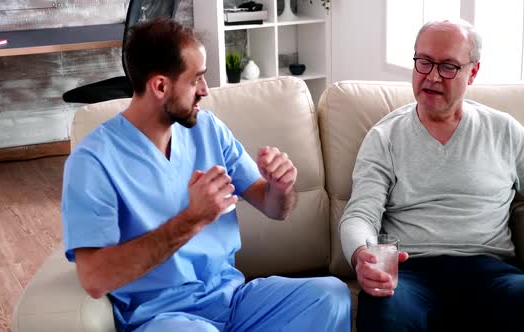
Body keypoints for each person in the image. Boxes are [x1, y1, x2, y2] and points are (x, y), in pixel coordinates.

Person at [62, 18, 351, 332]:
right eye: (196, 79)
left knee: (330, 295)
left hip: (233, 300)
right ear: (160, 86)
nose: (205, 90)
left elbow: (274, 208)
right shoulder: (93, 161)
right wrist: (193, 218)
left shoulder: (208, 128)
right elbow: (94, 279)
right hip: (162, 317)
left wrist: (281, 187)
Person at [340, 19, 524, 332]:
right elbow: (360, 214)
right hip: (410, 271)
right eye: (424, 62)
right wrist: (362, 254)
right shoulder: (385, 136)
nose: (431, 76)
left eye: (447, 67)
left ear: (473, 71)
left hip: (490, 270)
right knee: (384, 312)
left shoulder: (503, 130)